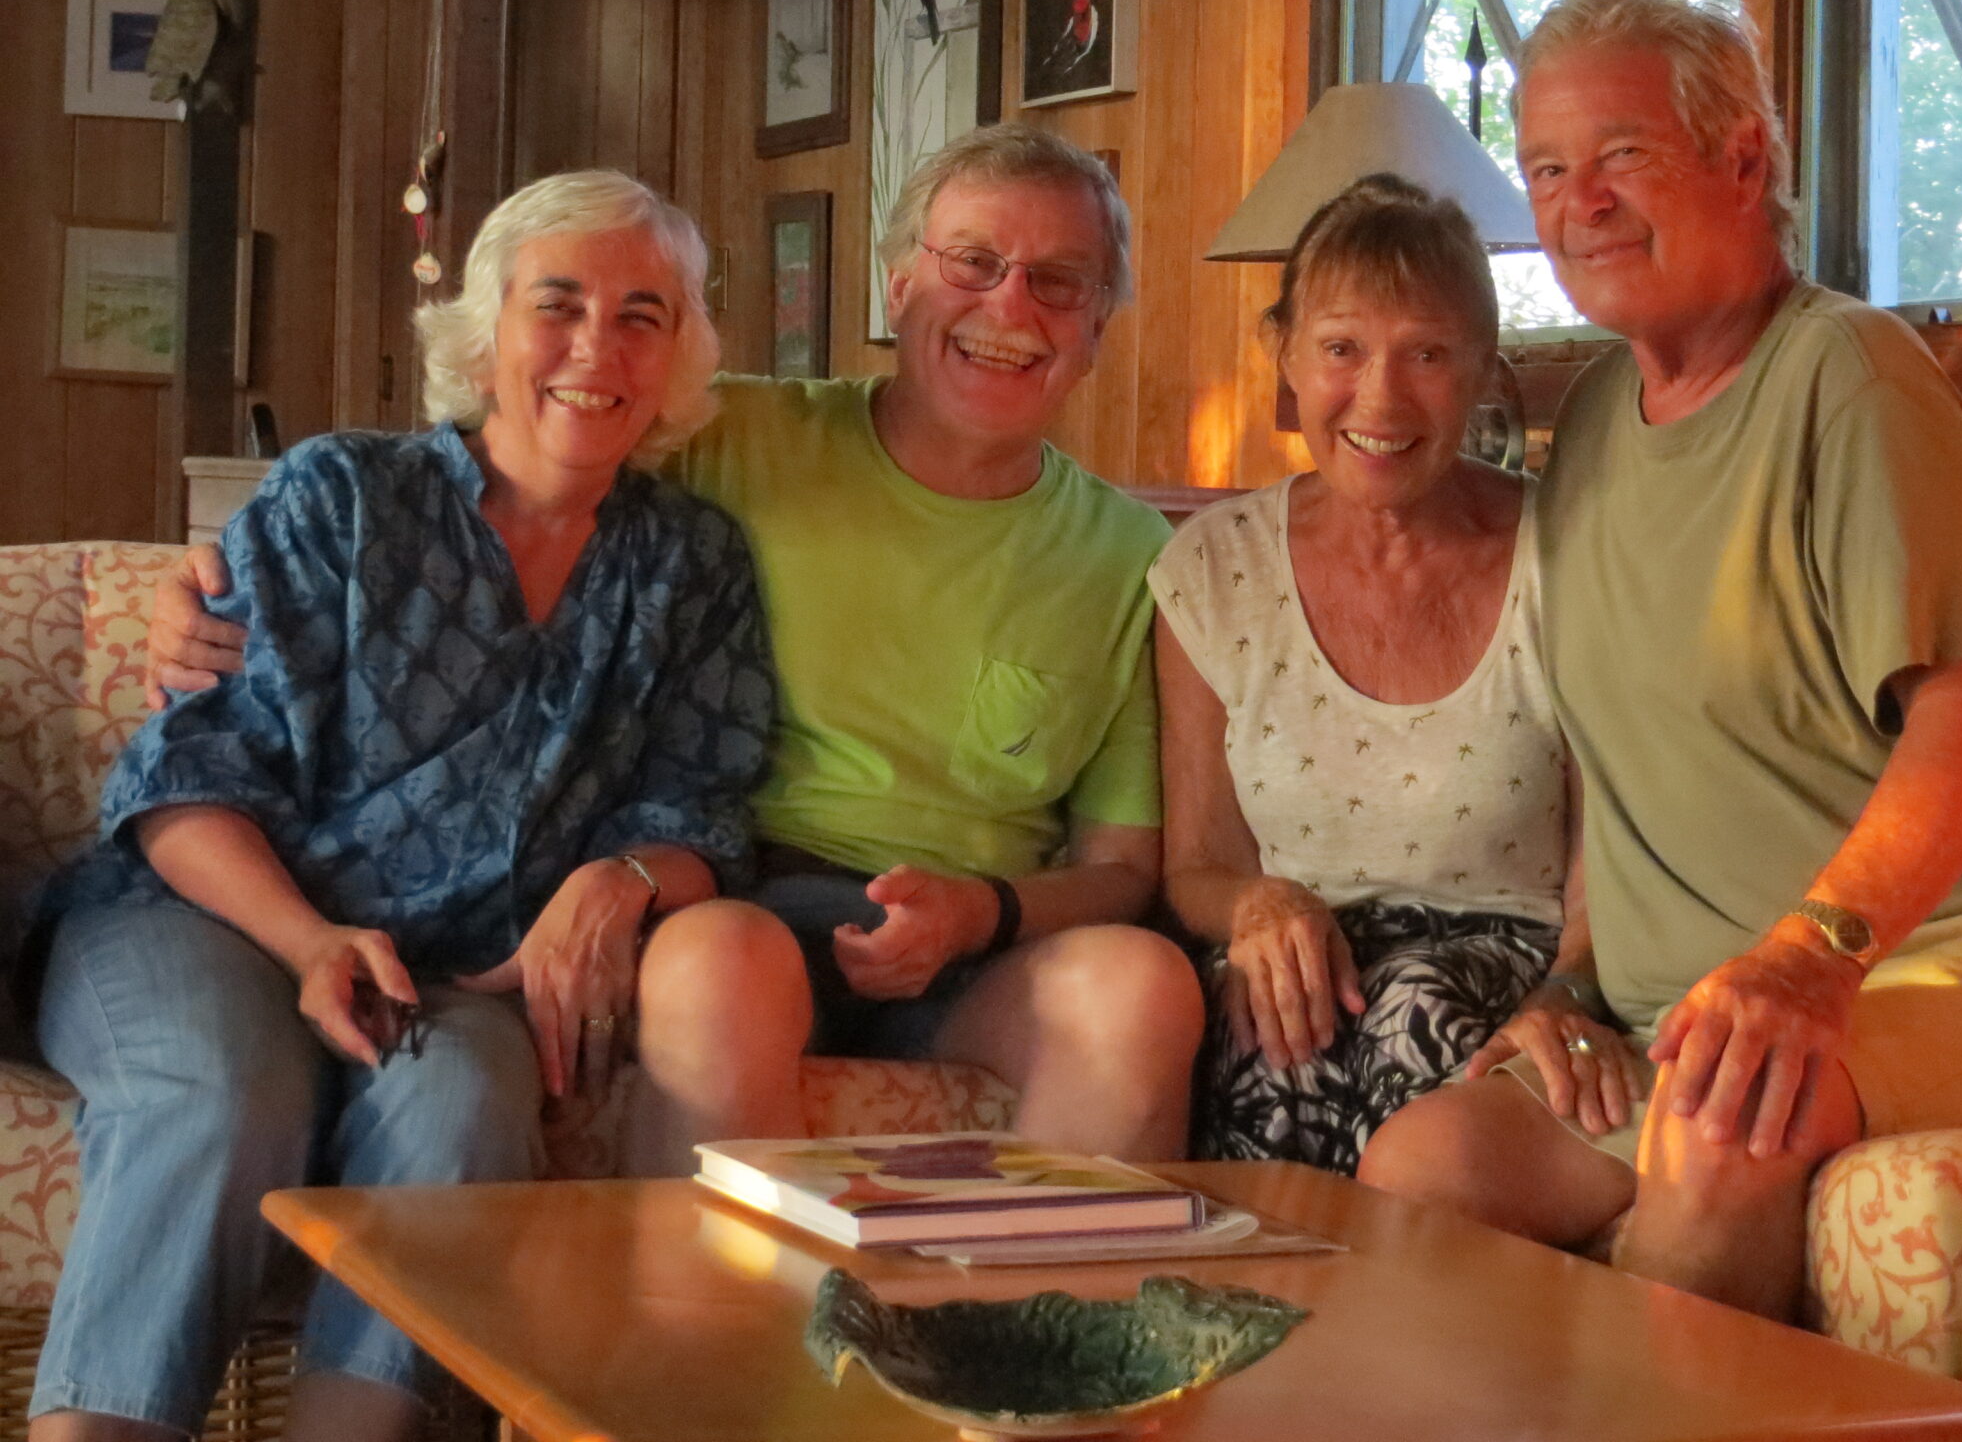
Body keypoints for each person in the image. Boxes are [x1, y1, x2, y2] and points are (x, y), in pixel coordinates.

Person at [154, 126, 1202, 1162]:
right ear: (896, 287)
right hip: (743, 904)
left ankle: (1042, 1326)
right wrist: (205, 578)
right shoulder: (734, 435)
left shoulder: (1132, 553)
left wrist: (980, 911)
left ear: (1101, 325)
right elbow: (519, 456)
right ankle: (713, 1325)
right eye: (972, 262)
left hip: (982, 941)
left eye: (1060, 282)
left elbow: (1119, 868)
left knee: (1145, 987)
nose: (1009, 306)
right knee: (720, 969)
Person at [1360, 0, 1962, 1319]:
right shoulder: (1599, 415)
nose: (1581, 203)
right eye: (1549, 171)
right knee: (1423, 1162)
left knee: (1724, 1120)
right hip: (1680, 1014)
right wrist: (1564, 982)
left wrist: (1809, 962)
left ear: (1746, 158)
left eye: (1621, 156)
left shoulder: (1848, 378)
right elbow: (1624, 776)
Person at [31, 171, 795, 1442]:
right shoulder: (344, 497)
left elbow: (703, 804)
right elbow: (187, 778)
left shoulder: (691, 563)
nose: (596, 349)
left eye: (643, 315)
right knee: (225, 1092)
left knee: (464, 1109)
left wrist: (628, 879)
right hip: (199, 919)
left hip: (458, 974)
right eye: (558, 305)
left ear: (681, 356)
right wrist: (308, 941)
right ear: (486, 331)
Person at [1154, 176, 1642, 1174]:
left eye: (1427, 354)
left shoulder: (1574, 557)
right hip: (1295, 964)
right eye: (1341, 349)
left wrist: (1570, 997)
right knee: (1263, 1028)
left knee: (1410, 1007)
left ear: (1481, 375)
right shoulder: (1212, 570)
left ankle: (1407, 1323)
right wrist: (1259, 907)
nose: (1380, 399)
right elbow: (1197, 863)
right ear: (1284, 355)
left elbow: (1615, 866)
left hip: (1508, 968)